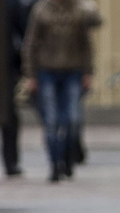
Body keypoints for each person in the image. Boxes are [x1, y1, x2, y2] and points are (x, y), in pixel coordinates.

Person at [22, 0, 95, 182]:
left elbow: (86, 42)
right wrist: (30, 74)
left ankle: (67, 157)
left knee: (72, 120)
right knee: (52, 121)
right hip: (47, 71)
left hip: (73, 71)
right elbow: (30, 43)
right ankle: (55, 164)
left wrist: (88, 72)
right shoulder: (41, 10)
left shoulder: (79, 9)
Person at [1, 0, 39, 177]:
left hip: (6, 65)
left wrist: (25, 67)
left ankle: (11, 162)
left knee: (8, 114)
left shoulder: (10, 4)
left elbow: (24, 33)